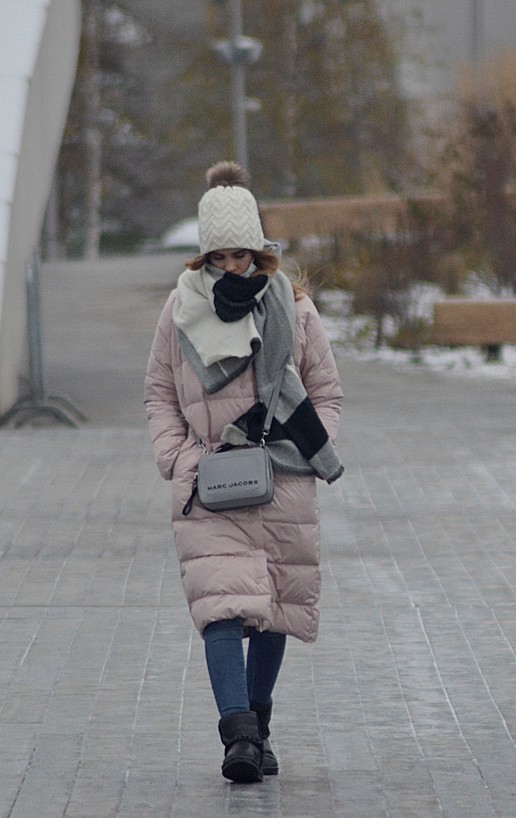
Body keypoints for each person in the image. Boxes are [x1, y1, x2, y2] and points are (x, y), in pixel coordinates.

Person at [144, 161, 344, 783]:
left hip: (282, 478)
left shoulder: (296, 311)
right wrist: (180, 459)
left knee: (274, 609)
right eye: (219, 256)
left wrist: (304, 449)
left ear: (260, 251)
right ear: (202, 256)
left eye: (243, 254)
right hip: (210, 482)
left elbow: (326, 395)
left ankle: (258, 728)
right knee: (223, 610)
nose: (232, 267)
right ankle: (238, 735)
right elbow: (157, 392)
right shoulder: (179, 313)